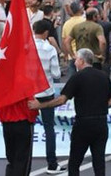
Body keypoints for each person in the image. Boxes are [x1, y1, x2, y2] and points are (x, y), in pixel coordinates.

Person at [29, 49, 111, 176]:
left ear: (82, 61)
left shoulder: (77, 77)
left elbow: (62, 99)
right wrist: (100, 107)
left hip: (83, 123)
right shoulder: (103, 76)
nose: (75, 62)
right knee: (99, 162)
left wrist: (41, 105)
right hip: (101, 122)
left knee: (75, 162)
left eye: (76, 59)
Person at [33, 20, 65, 174]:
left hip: (29, 93)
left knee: (27, 128)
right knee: (49, 128)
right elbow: (56, 74)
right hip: (46, 92)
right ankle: (52, 163)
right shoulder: (50, 49)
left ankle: (23, 161)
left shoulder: (26, 47)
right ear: (46, 32)